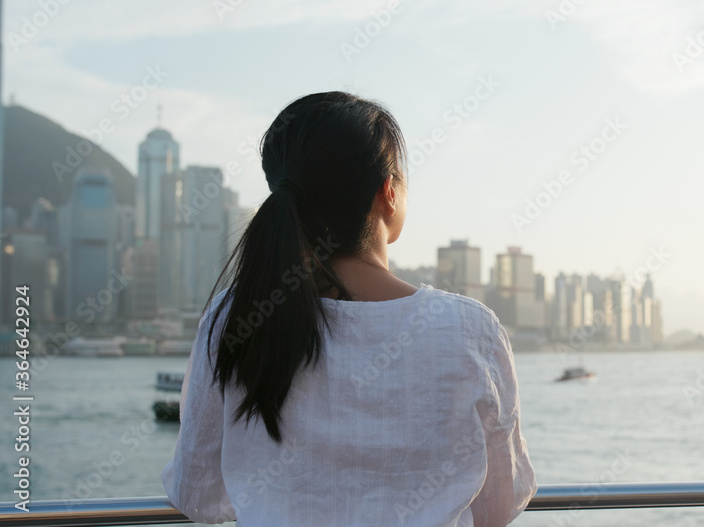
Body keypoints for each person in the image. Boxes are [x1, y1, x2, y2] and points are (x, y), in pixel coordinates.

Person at [161, 92, 536, 526]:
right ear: (388, 193)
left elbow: (199, 494)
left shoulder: (236, 316)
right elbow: (499, 506)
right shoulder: (470, 330)